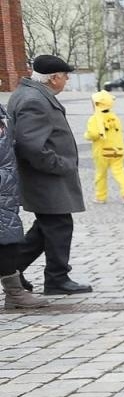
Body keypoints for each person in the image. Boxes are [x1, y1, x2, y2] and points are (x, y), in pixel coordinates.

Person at [6, 55, 90, 295]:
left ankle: (12, 268)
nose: (66, 81)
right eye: (64, 76)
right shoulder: (34, 100)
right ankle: (56, 278)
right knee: (58, 225)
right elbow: (31, 145)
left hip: (44, 177)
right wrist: (59, 165)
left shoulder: (32, 94)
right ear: (53, 79)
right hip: (45, 178)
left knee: (47, 228)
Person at [1, 104, 48, 309]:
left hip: (6, 188)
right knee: (7, 242)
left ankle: (15, 292)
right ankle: (15, 292)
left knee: (9, 241)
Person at [85, 91, 124, 205]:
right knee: (119, 171)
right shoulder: (115, 117)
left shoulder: (95, 119)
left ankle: (100, 196)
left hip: (103, 151)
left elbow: (93, 134)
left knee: (100, 174)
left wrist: (86, 135)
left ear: (97, 104)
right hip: (118, 149)